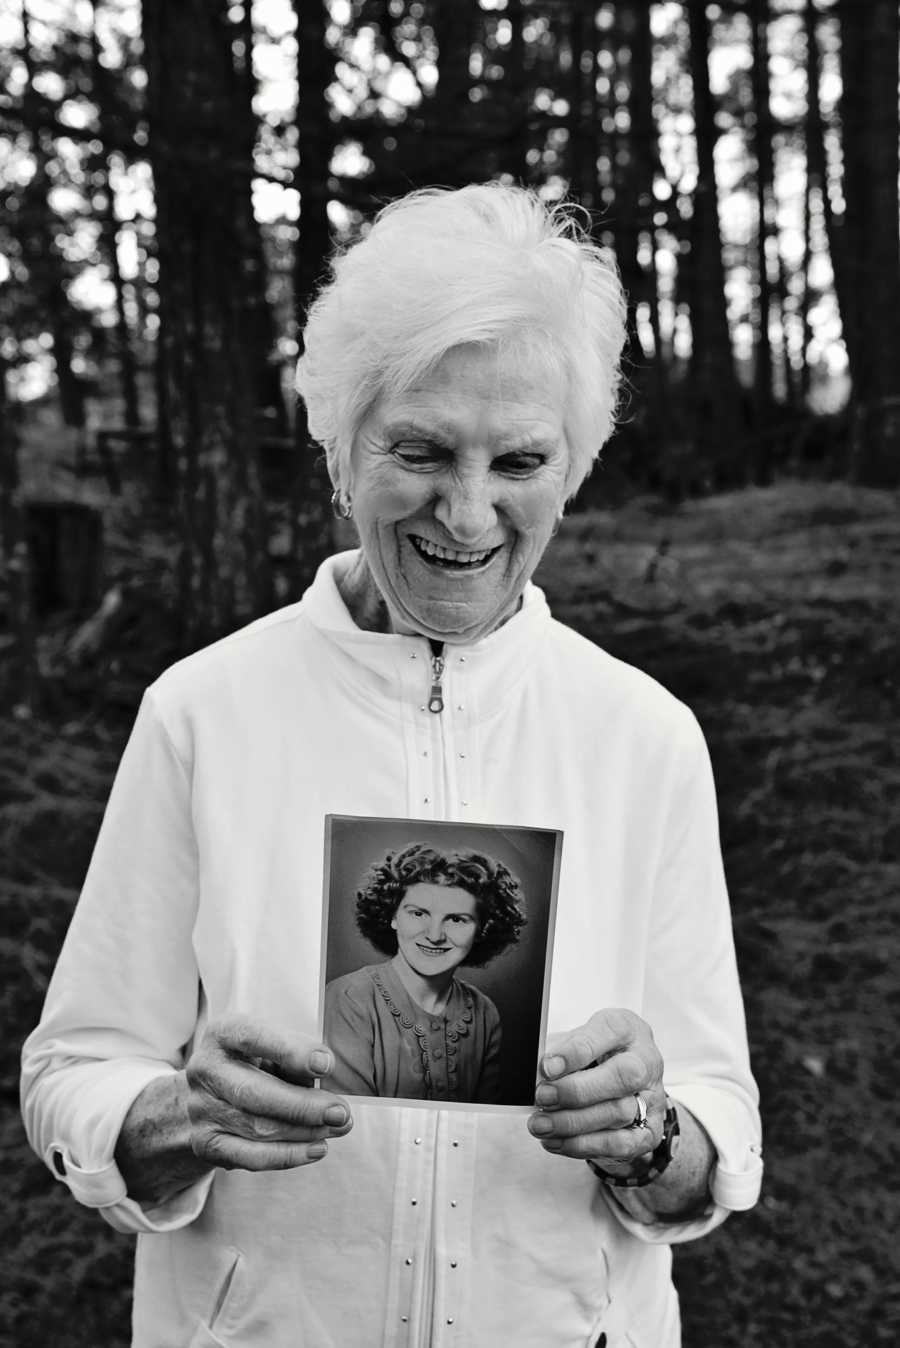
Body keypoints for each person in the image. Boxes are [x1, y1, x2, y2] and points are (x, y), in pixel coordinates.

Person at [21, 183, 763, 1348]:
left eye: (520, 459)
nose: (468, 514)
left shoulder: (646, 734)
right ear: (339, 447)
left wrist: (655, 1133)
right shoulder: (203, 712)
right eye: (418, 448)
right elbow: (76, 1064)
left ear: (572, 469)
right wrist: (170, 1113)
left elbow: (720, 1120)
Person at [324, 842, 525, 1104]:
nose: (434, 935)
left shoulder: (484, 1012)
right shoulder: (348, 998)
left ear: (481, 929)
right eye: (418, 913)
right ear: (393, 916)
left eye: (456, 919)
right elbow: (348, 1123)